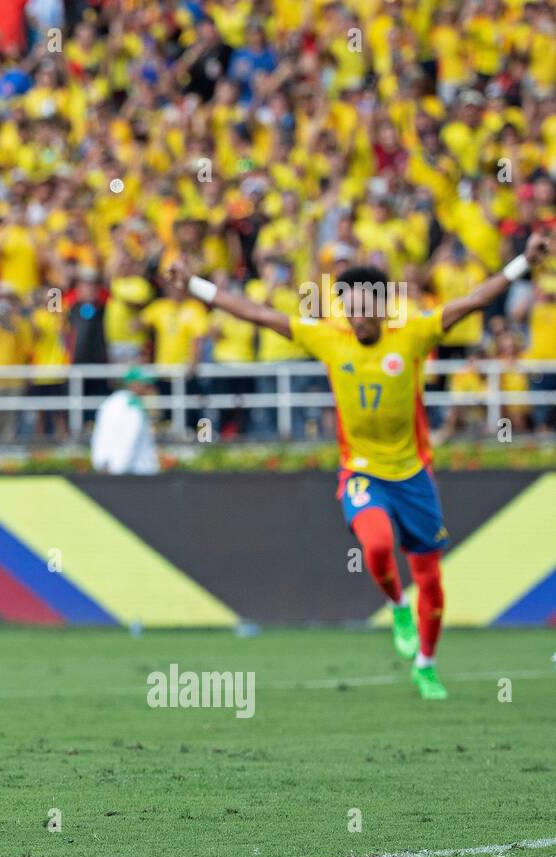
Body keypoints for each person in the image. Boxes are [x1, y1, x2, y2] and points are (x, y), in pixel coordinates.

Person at [167, 231, 551, 700]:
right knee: (375, 544)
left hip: (413, 475)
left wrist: (521, 266)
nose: (356, 314)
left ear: (383, 307)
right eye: (349, 305)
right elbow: (258, 313)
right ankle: (396, 606)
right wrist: (196, 286)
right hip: (363, 471)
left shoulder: (411, 335)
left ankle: (426, 664)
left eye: (365, 305)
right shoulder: (330, 340)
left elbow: (472, 301)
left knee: (429, 577)